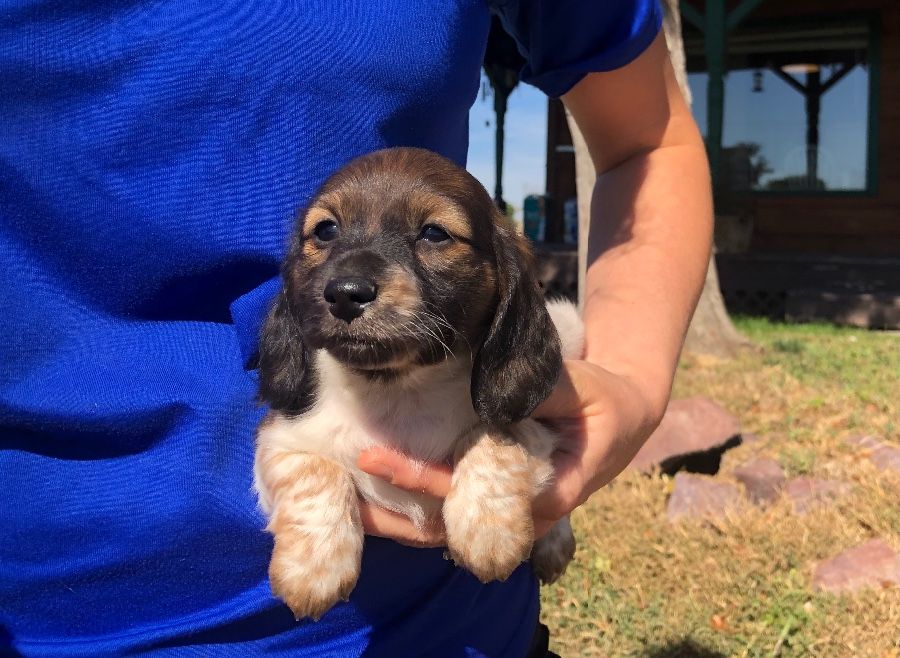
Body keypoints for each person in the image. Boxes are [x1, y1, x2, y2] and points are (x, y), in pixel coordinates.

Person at [0, 1, 711, 656]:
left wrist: (630, 385)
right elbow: (291, 432)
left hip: (441, 631)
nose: (350, 278)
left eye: (435, 235)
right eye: (325, 234)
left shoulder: (483, 349)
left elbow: (646, 139)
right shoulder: (306, 380)